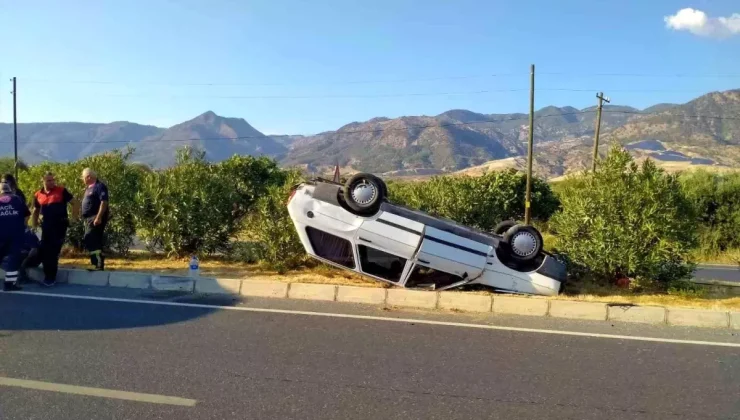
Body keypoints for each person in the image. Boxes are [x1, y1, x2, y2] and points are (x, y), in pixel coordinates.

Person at [32, 171, 74, 286]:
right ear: (43, 181)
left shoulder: (61, 191)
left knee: (53, 251)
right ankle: (46, 274)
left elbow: (75, 203)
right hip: (46, 226)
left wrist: (74, 219)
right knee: (45, 250)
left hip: (60, 226)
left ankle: (51, 277)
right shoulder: (38, 194)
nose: (52, 182)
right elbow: (35, 211)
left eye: (52, 180)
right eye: (49, 180)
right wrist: (34, 225)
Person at [0, 179, 30, 291]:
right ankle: (9, 284)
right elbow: (27, 215)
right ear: (10, 190)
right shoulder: (17, 199)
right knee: (14, 259)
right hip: (15, 235)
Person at [80, 168, 109, 271]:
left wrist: (98, 217)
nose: (82, 179)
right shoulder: (88, 188)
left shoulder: (99, 186)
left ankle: (98, 264)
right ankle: (95, 263)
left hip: (95, 218)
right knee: (90, 239)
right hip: (88, 219)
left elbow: (104, 202)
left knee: (93, 239)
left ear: (88, 177)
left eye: (83, 177)